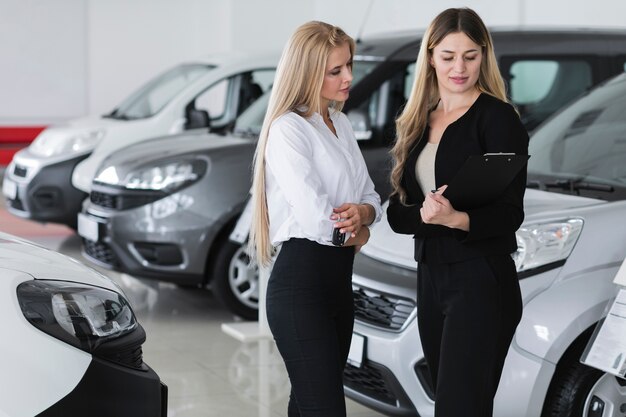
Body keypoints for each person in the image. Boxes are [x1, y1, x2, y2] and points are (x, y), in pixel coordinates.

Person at [387, 8, 529, 417]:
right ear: (430, 56)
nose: (459, 67)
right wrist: (428, 216)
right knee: (447, 402)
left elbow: (509, 215)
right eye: (448, 56)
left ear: (484, 55)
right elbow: (399, 212)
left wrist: (456, 219)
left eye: (470, 55)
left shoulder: (498, 119)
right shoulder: (417, 120)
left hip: (481, 279)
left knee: (459, 407)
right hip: (431, 278)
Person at [248, 21, 382, 417]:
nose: (349, 78)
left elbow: (371, 197)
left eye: (349, 66)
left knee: (306, 405)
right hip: (299, 289)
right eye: (335, 70)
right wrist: (361, 232)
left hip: (338, 288)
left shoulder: (339, 123)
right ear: (307, 72)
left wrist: (363, 215)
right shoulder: (288, 129)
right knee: (324, 408)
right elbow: (318, 220)